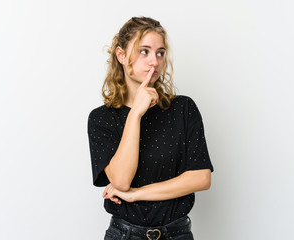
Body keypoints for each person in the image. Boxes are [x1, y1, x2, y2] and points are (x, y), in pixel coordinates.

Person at [87, 16, 214, 240]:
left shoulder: (183, 108)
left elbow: (201, 178)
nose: (154, 61)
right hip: (124, 235)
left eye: (160, 52)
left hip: (177, 234)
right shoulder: (101, 119)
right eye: (144, 51)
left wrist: (137, 194)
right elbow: (121, 181)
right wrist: (135, 113)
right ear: (121, 55)